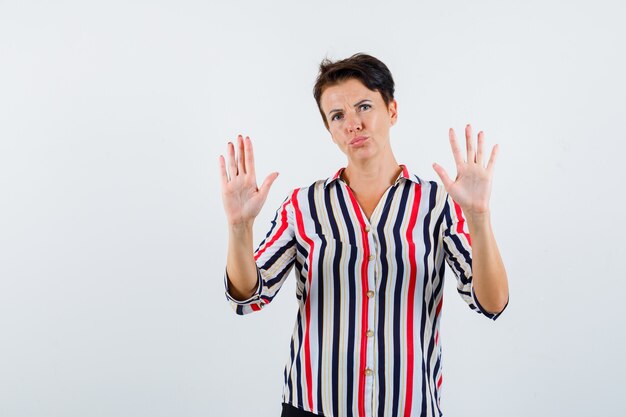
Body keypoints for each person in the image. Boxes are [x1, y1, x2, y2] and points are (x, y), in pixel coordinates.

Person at [218, 53, 509, 417]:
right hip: (313, 407)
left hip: (409, 407)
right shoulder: (303, 206)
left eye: (364, 107)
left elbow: (492, 303)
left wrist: (479, 217)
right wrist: (239, 228)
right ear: (329, 129)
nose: (352, 124)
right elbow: (248, 296)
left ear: (392, 110)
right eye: (337, 116)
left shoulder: (438, 204)